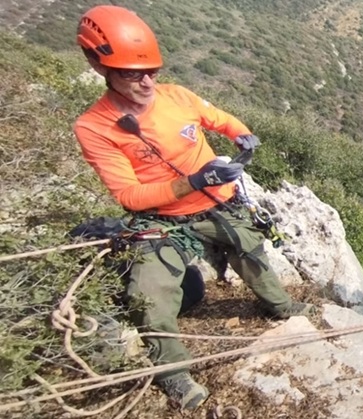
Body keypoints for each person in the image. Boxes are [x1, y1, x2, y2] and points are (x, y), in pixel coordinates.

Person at [73, 5, 312, 410]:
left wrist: (242, 135)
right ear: (99, 66)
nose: (147, 82)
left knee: (250, 249)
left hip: (219, 204)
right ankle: (173, 373)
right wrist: (195, 181)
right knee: (149, 293)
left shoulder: (177, 96)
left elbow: (220, 119)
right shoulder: (95, 127)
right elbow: (129, 196)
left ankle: (279, 306)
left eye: (152, 71)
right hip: (162, 218)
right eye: (132, 73)